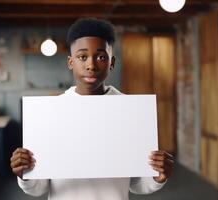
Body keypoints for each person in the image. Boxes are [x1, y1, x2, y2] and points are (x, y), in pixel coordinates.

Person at [10, 18, 174, 200]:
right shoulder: (53, 113)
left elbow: (136, 184)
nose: (91, 65)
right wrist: (24, 173)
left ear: (112, 62)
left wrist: (157, 178)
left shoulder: (130, 112)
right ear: (70, 62)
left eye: (101, 57)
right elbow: (39, 188)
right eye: (82, 57)